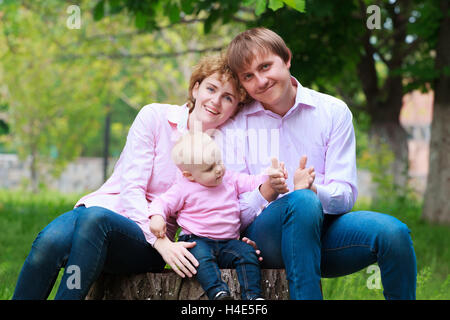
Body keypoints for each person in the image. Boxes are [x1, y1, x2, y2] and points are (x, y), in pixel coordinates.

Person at [12, 54, 262, 300]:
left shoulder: (224, 148)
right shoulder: (154, 117)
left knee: (95, 221)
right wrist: (162, 243)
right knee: (49, 243)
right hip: (114, 213)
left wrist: (235, 236)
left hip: (143, 241)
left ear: (236, 108)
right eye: (211, 88)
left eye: (227, 97)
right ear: (196, 89)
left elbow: (227, 199)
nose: (216, 101)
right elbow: (131, 187)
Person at [217, 27, 417, 300]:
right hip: (265, 240)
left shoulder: (333, 112)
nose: (260, 81)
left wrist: (313, 191)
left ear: (286, 59)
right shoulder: (236, 125)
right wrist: (266, 191)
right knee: (301, 203)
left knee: (393, 234)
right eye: (248, 76)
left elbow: (345, 195)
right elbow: (228, 210)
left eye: (265, 66)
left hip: (324, 233)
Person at [149, 132, 301, 300]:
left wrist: (270, 175)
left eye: (219, 162)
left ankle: (253, 296)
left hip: (229, 242)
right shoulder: (183, 187)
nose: (218, 169)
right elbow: (162, 203)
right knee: (199, 260)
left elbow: (252, 181)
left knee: (248, 253)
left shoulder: (228, 178)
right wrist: (157, 217)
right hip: (196, 240)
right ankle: (218, 293)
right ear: (189, 175)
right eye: (209, 168)